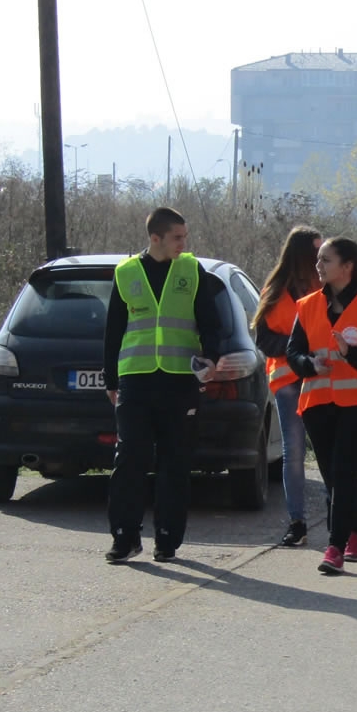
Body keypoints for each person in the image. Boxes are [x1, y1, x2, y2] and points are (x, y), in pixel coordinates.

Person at [103, 206, 231, 563]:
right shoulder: (126, 272)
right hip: (136, 380)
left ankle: (166, 539)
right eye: (177, 237)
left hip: (179, 382)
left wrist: (212, 357)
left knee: (174, 464)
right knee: (130, 459)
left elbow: (210, 323)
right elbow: (113, 330)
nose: (183, 243)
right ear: (155, 238)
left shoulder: (191, 269)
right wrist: (111, 380)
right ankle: (125, 537)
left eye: (185, 237)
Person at [285, 237, 357, 575]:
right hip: (317, 402)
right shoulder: (307, 306)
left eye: (325, 260)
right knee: (333, 476)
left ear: (347, 267)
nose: (318, 265)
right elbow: (293, 352)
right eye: (318, 259)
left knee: (345, 471)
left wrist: (351, 353)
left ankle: (335, 546)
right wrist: (309, 364)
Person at [253, 225, 322, 547]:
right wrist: (295, 348)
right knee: (293, 452)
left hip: (321, 378)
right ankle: (297, 522)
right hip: (287, 380)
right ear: (303, 253)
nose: (321, 257)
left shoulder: (325, 286)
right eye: (317, 250)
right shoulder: (275, 289)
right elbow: (264, 339)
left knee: (326, 451)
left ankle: (339, 518)